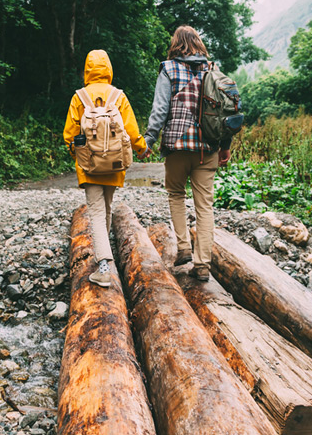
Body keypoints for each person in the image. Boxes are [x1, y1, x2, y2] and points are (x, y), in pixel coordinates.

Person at [144, 26, 231, 281]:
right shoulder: (213, 70)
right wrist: (225, 145)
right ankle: (203, 264)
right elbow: (227, 112)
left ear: (176, 44)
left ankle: (183, 248)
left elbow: (160, 109)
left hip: (177, 147)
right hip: (208, 148)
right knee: (205, 206)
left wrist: (149, 139)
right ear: (199, 44)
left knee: (176, 194)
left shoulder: (168, 69)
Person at [64, 49, 150, 287]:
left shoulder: (79, 97)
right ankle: (105, 255)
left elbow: (68, 135)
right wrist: (142, 148)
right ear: (109, 69)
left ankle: (103, 266)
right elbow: (132, 131)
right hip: (114, 164)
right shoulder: (118, 95)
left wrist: (78, 153)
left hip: (89, 166)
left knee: (96, 212)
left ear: (87, 70)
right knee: (107, 207)